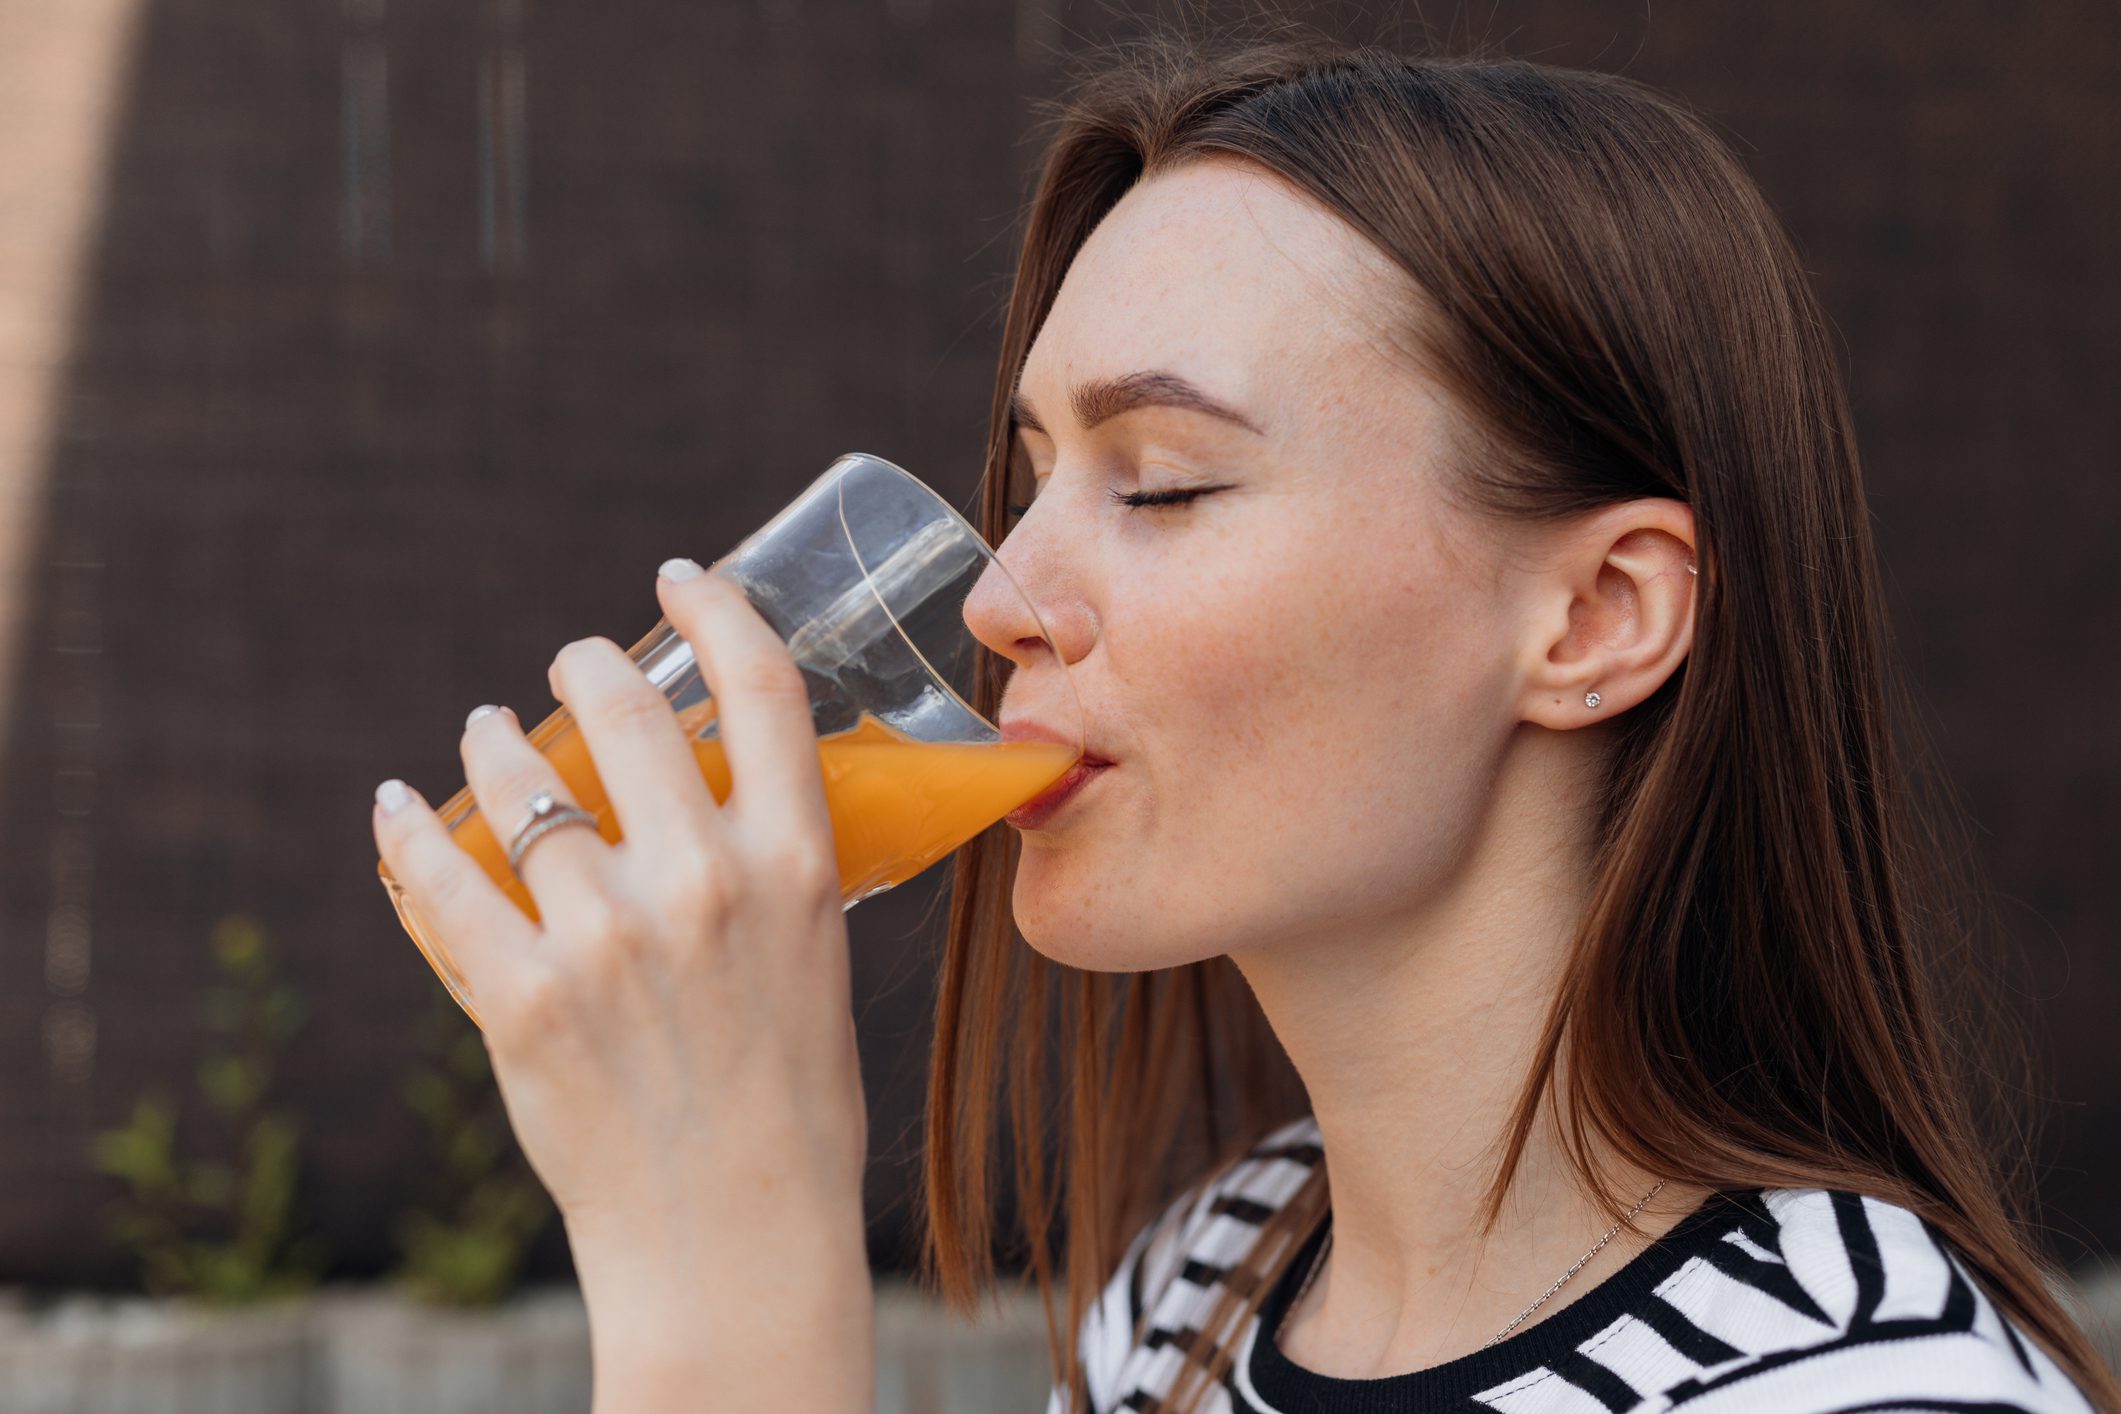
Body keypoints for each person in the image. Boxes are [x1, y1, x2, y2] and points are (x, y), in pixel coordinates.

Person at [369, 33, 2118, 1414]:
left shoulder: (1862, 1391)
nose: (995, 601)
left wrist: (728, 1291)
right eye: (1035, 478)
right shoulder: (1206, 1286)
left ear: (1594, 619)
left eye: (1168, 483)